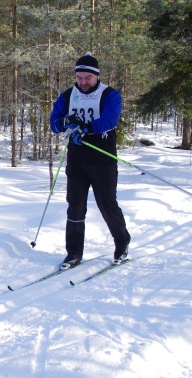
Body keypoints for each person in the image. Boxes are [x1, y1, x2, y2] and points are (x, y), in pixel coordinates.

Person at [49, 52, 130, 268]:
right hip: (76, 161)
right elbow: (54, 123)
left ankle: (122, 244)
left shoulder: (109, 95)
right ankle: (74, 252)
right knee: (75, 206)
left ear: (96, 76)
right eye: (79, 78)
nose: (83, 83)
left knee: (107, 205)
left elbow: (110, 120)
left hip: (102, 159)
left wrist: (86, 127)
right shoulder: (67, 96)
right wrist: (65, 121)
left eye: (88, 78)